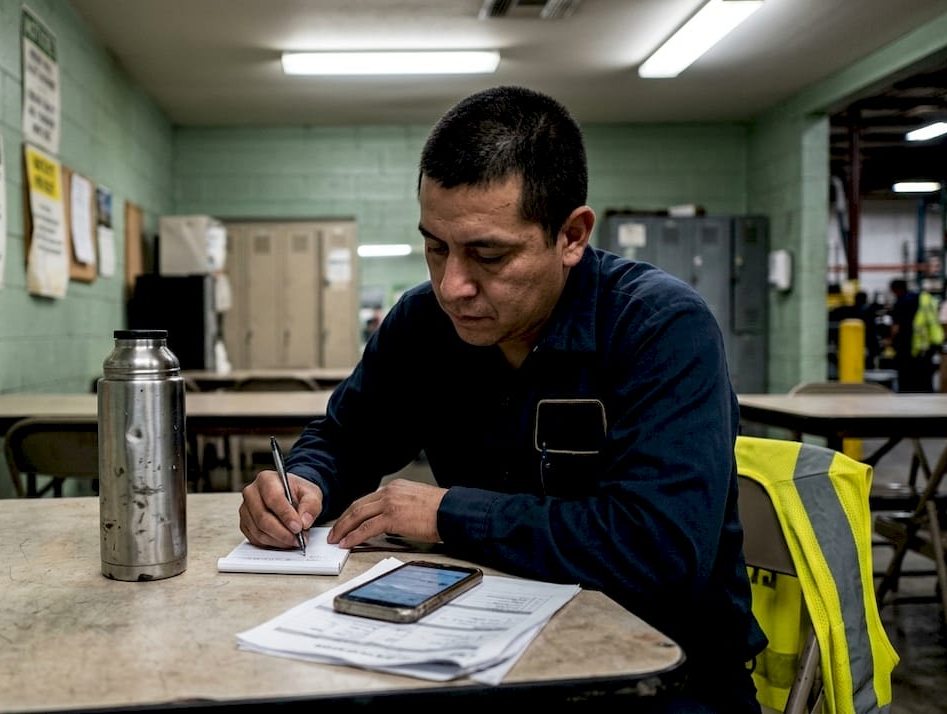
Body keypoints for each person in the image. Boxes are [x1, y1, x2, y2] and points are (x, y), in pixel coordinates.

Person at [238, 86, 765, 711]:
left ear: (571, 236)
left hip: (661, 675)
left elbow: (658, 550)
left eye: (488, 254)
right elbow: (347, 437)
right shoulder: (421, 325)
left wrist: (448, 514)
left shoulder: (660, 329)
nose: (452, 285)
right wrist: (304, 480)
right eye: (436, 247)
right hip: (486, 648)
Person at [886, 278, 940, 392]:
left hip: (906, 346)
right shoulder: (922, 299)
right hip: (923, 345)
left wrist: (889, 341)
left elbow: (896, 327)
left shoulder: (900, 302)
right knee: (924, 377)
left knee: (907, 379)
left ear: (896, 290)